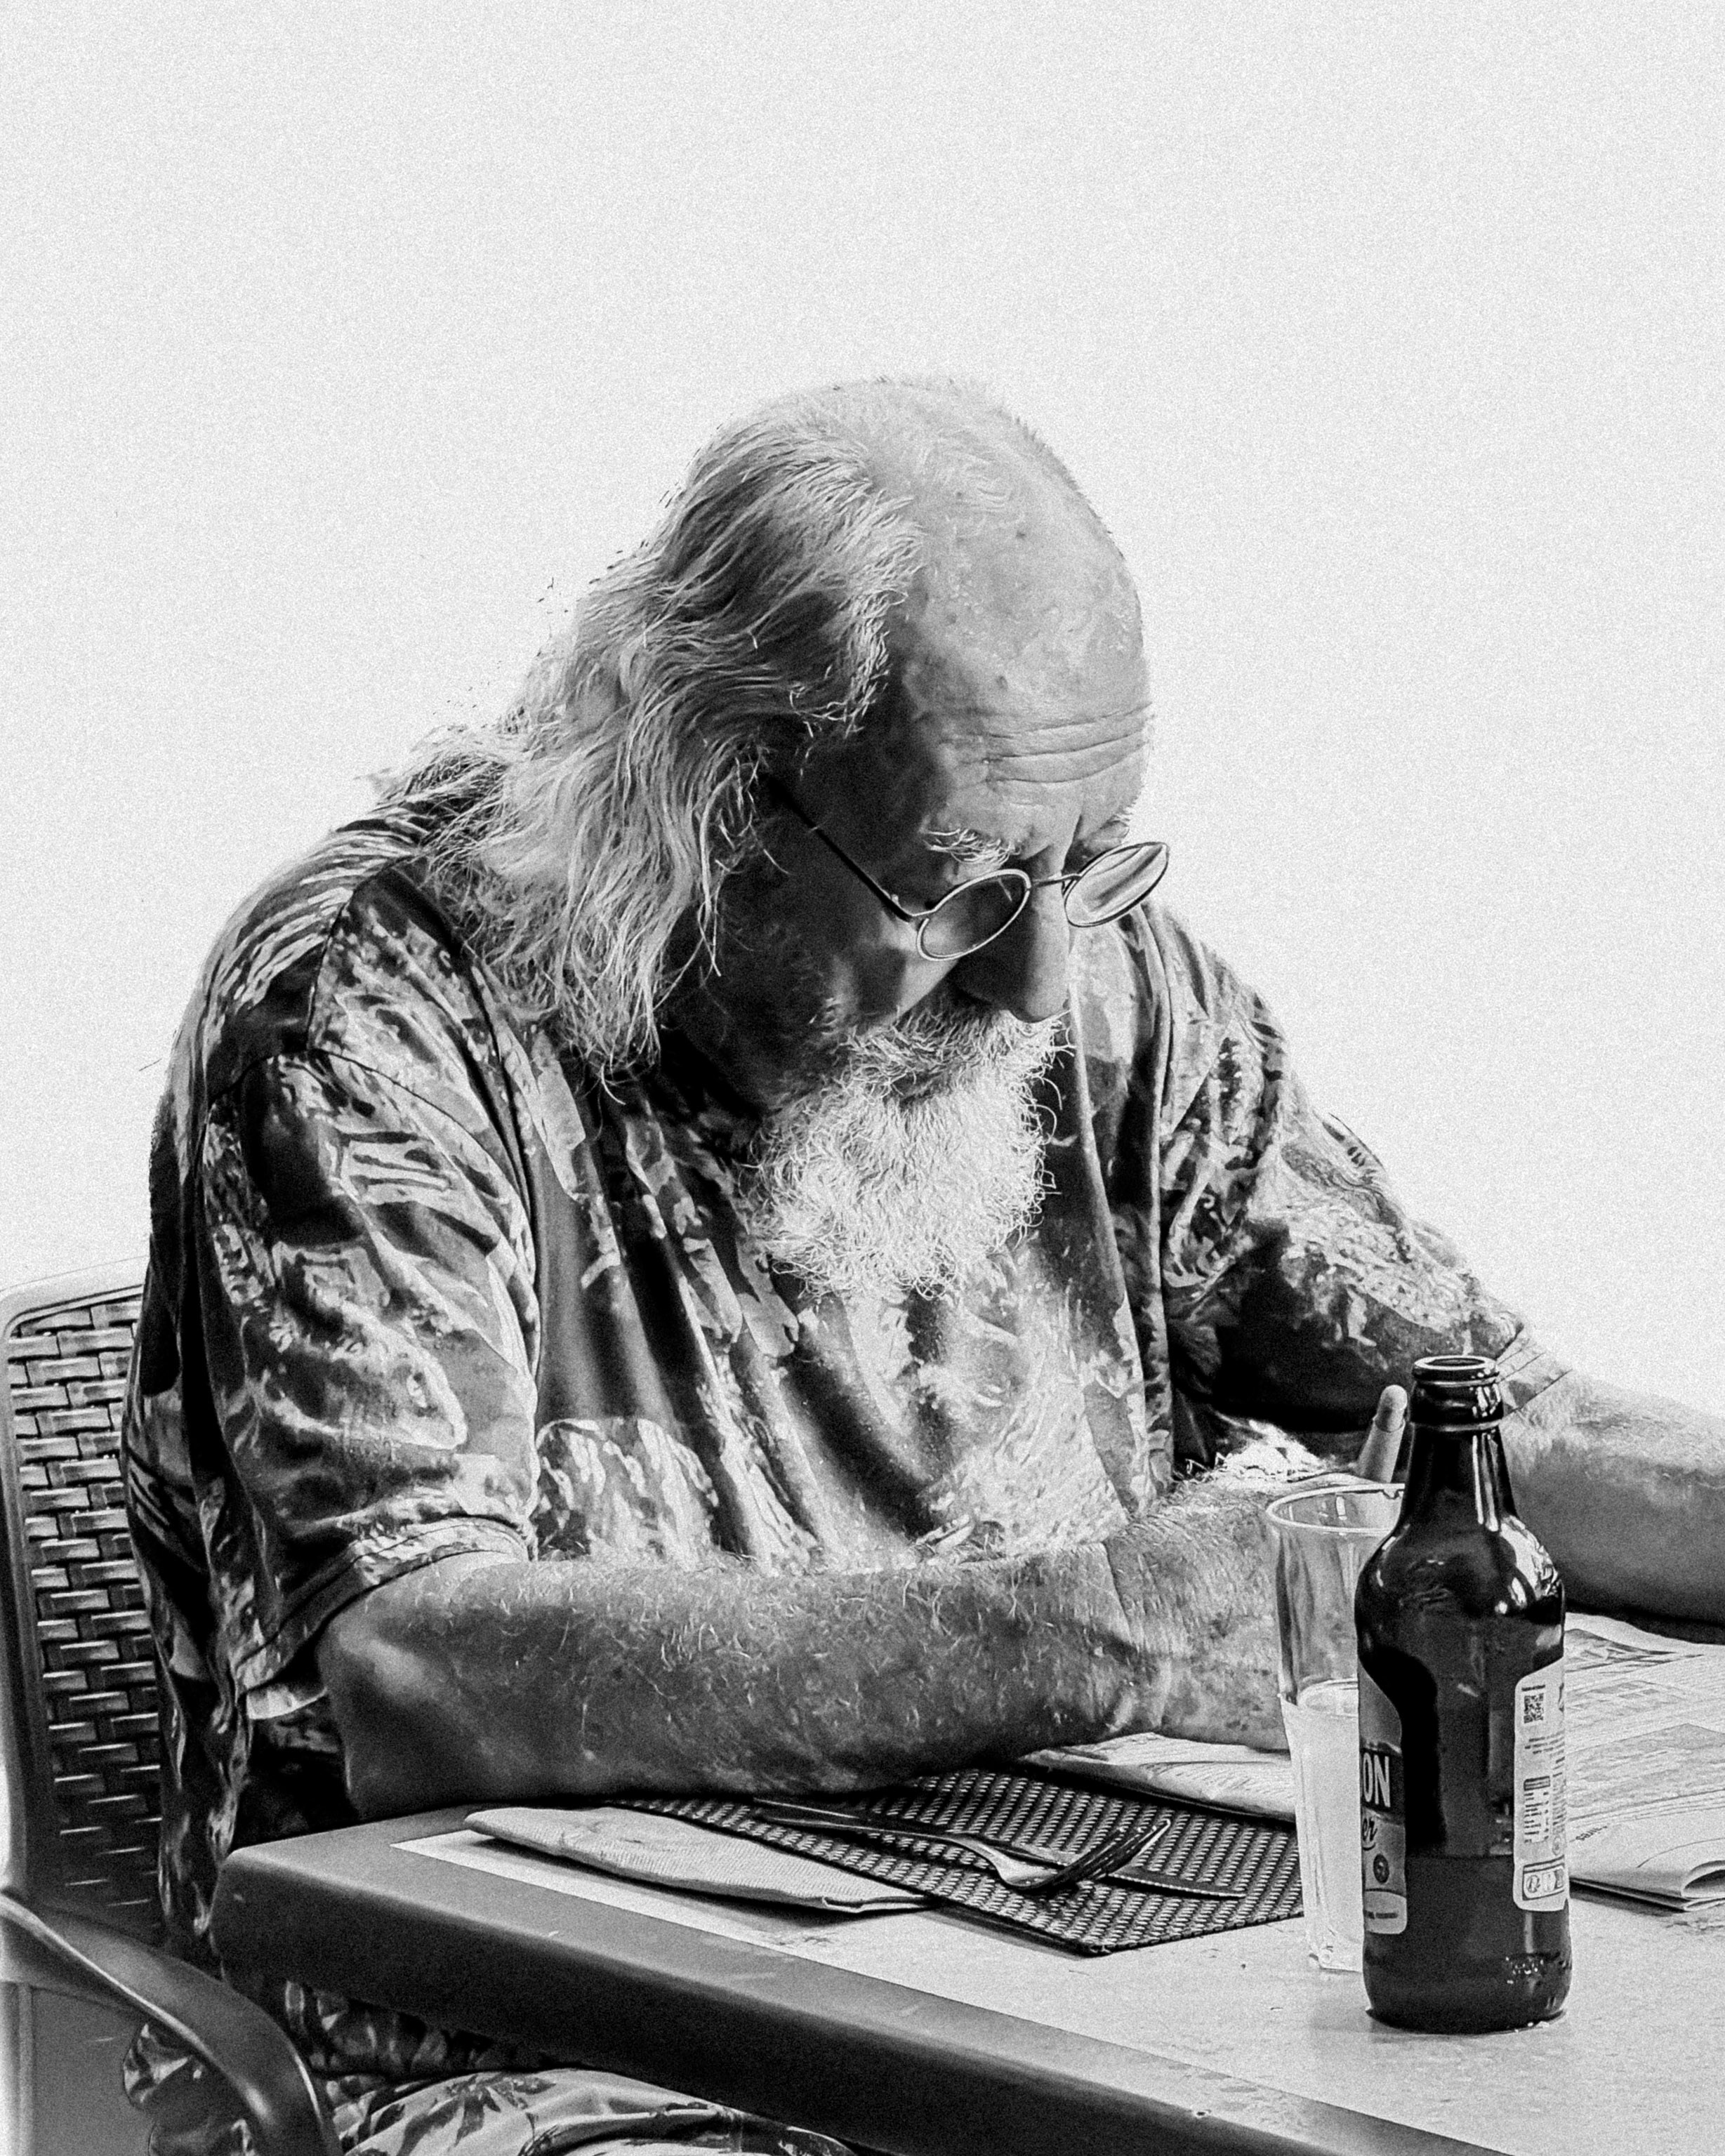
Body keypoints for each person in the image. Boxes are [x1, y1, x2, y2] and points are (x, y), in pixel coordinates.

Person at [121, 377, 1725, 2156]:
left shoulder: (1102, 985)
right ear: (708, 800)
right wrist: (1088, 1633)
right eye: (954, 886)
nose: (1037, 978)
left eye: (1088, 861)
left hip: (1058, 1988)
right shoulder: (369, 1011)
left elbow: (1488, 1432)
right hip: (525, 2045)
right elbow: (418, 1676)